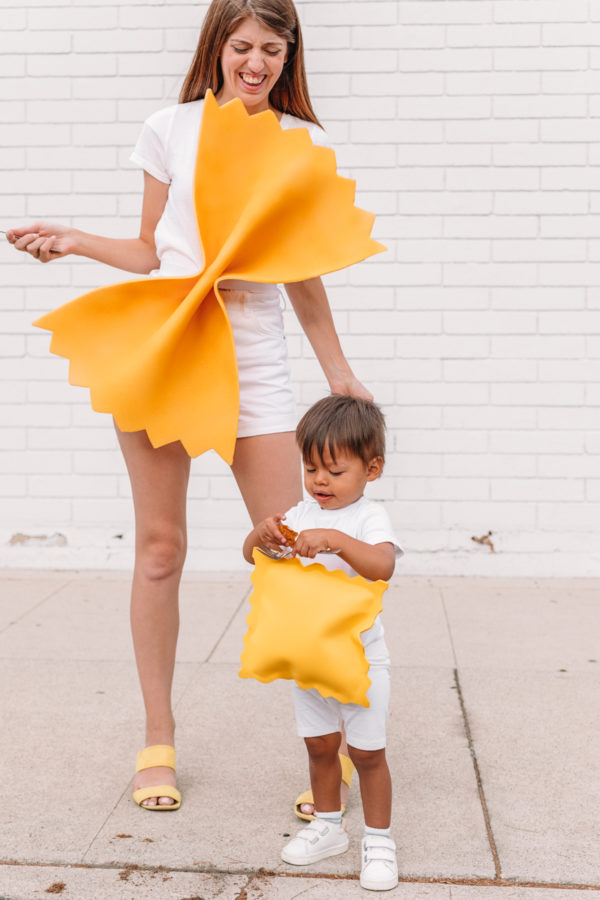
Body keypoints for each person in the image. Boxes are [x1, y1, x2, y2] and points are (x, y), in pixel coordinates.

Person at [6, 0, 373, 811]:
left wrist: (338, 371)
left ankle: (327, 748)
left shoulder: (300, 143)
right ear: (217, 47)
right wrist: (73, 241)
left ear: (288, 56)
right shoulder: (170, 128)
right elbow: (149, 250)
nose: (256, 63)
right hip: (169, 351)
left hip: (257, 366)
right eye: (242, 47)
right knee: (161, 550)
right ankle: (157, 739)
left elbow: (303, 272)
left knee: (294, 551)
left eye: (271, 50)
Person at [244, 394, 401, 892]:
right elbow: (251, 555)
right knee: (319, 745)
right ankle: (328, 827)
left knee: (368, 753)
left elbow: (383, 565)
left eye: (334, 470)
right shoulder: (301, 509)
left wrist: (333, 540)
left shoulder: (368, 518)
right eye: (311, 468)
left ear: (371, 469)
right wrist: (260, 533)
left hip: (360, 661)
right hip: (309, 659)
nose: (319, 481)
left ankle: (379, 840)